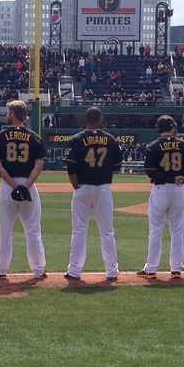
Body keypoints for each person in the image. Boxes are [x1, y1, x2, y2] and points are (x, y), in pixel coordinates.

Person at [62, 106, 123, 281]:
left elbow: (70, 166)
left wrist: (76, 186)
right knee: (107, 231)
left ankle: (74, 270)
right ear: (100, 120)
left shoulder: (76, 139)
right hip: (103, 188)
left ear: (86, 120)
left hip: (82, 187)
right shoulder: (110, 139)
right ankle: (112, 271)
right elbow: (117, 166)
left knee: (79, 230)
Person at [0, 100, 47, 279]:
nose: (8, 113)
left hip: (8, 186)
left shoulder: (0, 136)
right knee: (33, 230)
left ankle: (1, 270)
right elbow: (39, 165)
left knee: (5, 229)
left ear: (13, 114)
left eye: (9, 111)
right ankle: (39, 270)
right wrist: (26, 186)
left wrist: (14, 185)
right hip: (28, 186)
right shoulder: (34, 137)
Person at [140, 115, 184, 276]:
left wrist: (168, 177)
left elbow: (149, 171)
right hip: (178, 190)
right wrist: (179, 176)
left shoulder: (153, 146)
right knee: (177, 230)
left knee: (156, 229)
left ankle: (151, 268)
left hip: (160, 189)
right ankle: (176, 267)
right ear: (173, 128)